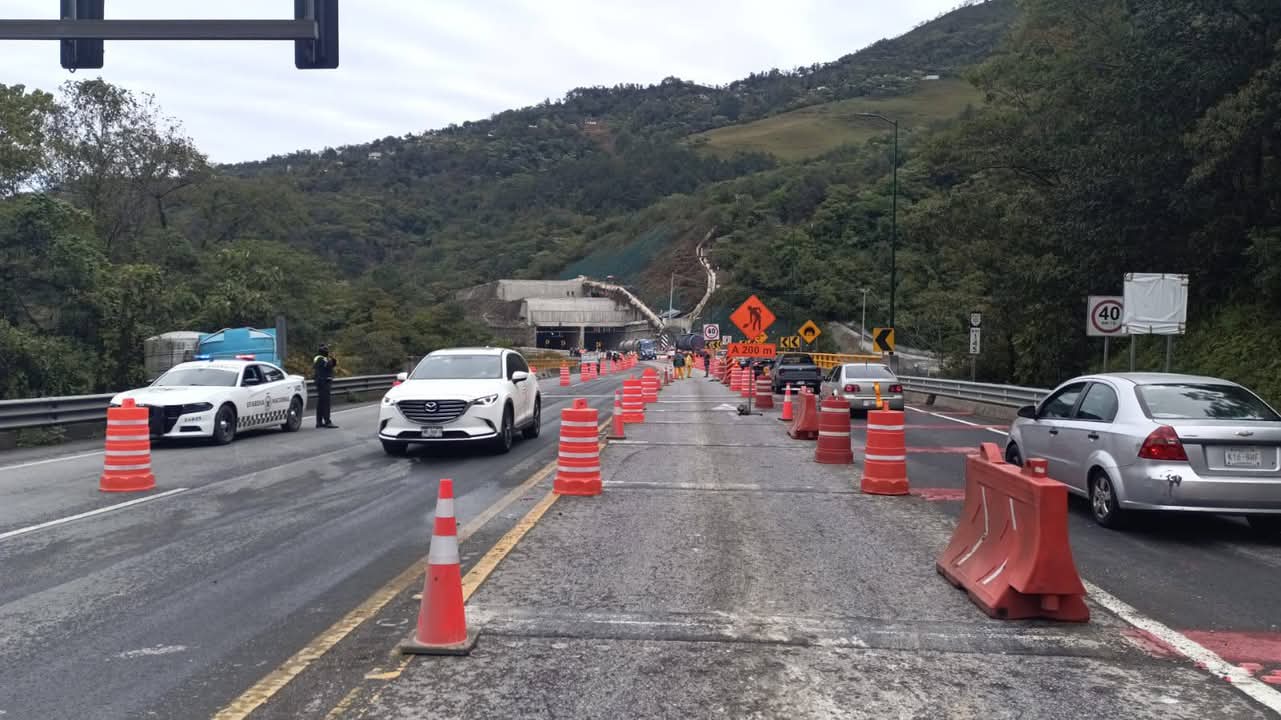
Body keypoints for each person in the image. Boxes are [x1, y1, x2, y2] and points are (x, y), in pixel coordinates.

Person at [313, 344, 338, 428]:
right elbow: (328, 365)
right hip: (323, 382)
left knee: (321, 402)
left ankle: (319, 422)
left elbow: (332, 364)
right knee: (325, 402)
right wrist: (331, 359)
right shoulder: (320, 358)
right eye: (327, 351)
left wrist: (333, 359)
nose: (328, 352)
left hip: (322, 381)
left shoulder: (322, 358)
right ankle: (327, 421)